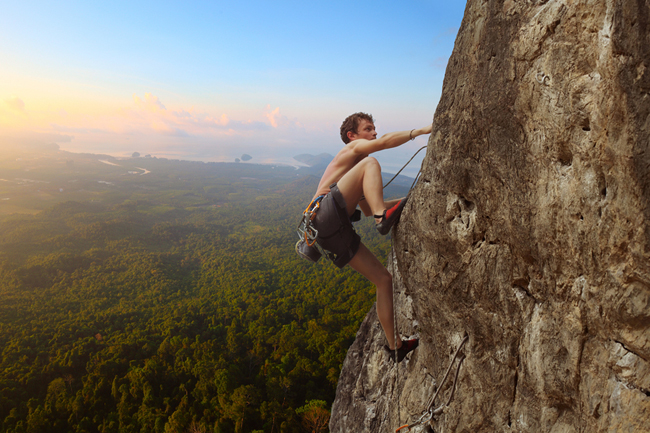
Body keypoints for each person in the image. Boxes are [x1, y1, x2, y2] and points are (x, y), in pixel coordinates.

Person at [309, 112, 432, 362]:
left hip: (329, 232)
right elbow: (384, 143)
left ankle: (394, 345)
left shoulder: (354, 176)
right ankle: (383, 218)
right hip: (324, 214)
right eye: (368, 129)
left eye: (375, 129)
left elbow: (368, 209)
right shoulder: (353, 151)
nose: (374, 133)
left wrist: (414, 197)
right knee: (371, 162)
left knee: (383, 280)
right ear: (352, 136)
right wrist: (419, 132)